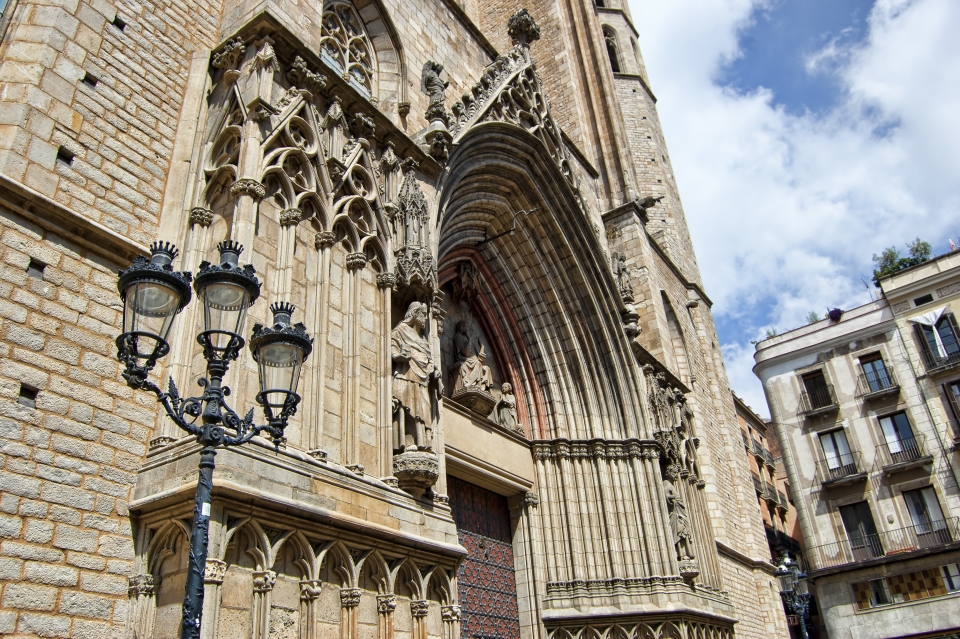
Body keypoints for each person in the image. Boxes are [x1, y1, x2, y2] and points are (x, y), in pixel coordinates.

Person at [392, 302, 441, 451]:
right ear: (414, 313)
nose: (425, 318)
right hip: (405, 374)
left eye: (427, 315)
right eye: (423, 314)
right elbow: (392, 347)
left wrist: (435, 370)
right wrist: (398, 356)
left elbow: (428, 360)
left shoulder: (424, 341)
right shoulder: (400, 330)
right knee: (407, 406)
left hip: (422, 380)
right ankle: (407, 440)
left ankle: (422, 443)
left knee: (423, 410)